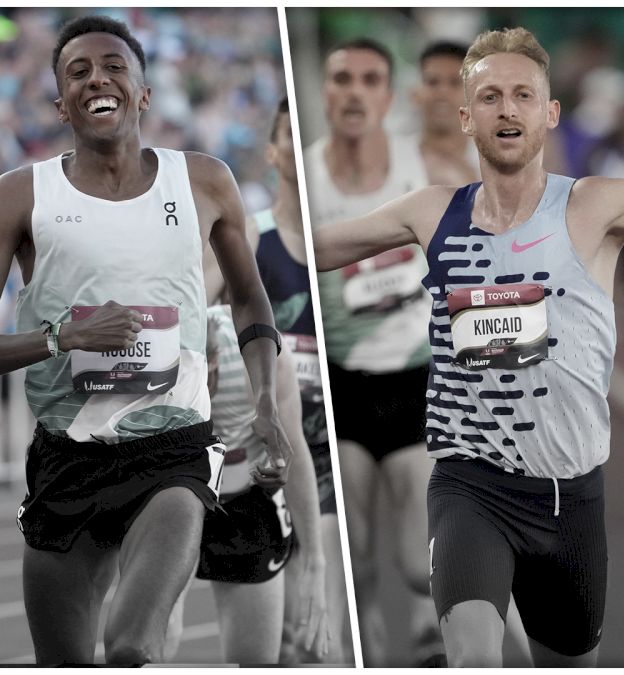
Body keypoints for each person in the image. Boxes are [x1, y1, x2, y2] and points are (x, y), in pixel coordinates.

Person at [312, 26, 624, 667]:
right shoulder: (430, 212)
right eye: (490, 97)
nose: (507, 109)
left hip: (570, 493)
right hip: (470, 483)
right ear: (465, 117)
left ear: (550, 113)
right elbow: (314, 244)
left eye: (523, 95)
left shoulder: (597, 204)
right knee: (473, 658)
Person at [0, 16, 291, 665]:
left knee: (130, 646)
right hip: (66, 460)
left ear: (145, 93)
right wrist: (62, 336)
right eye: (79, 71)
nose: (98, 77)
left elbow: (247, 297)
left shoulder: (205, 180)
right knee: (66, 661)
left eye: (115, 66)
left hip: (173, 453)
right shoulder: (19, 195)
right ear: (60, 102)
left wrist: (265, 399)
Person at [301, 38, 442, 666]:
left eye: (369, 80)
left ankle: (433, 632)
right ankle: (372, 651)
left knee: (418, 558)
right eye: (342, 78)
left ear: (388, 96)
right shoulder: (304, 178)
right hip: (341, 385)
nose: (354, 91)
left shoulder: (426, 167)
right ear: (325, 93)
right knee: (351, 551)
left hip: (417, 377)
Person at [246, 98, 350, 665]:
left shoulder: (344, 239)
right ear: (273, 152)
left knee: (322, 631)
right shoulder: (248, 238)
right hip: (270, 459)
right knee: (283, 639)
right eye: (287, 135)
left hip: (328, 455)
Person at [163, 306, 324, 664]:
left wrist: (315, 560)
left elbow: (293, 453)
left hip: (248, 498)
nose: (203, 389)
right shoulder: (155, 373)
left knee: (257, 658)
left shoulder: (260, 357)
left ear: (218, 355)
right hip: (176, 494)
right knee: (152, 641)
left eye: (209, 374)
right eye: (192, 379)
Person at [413, 41, 480, 186]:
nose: (442, 93)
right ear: (415, 94)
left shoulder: (492, 161)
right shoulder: (392, 157)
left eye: (455, 82)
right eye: (432, 82)